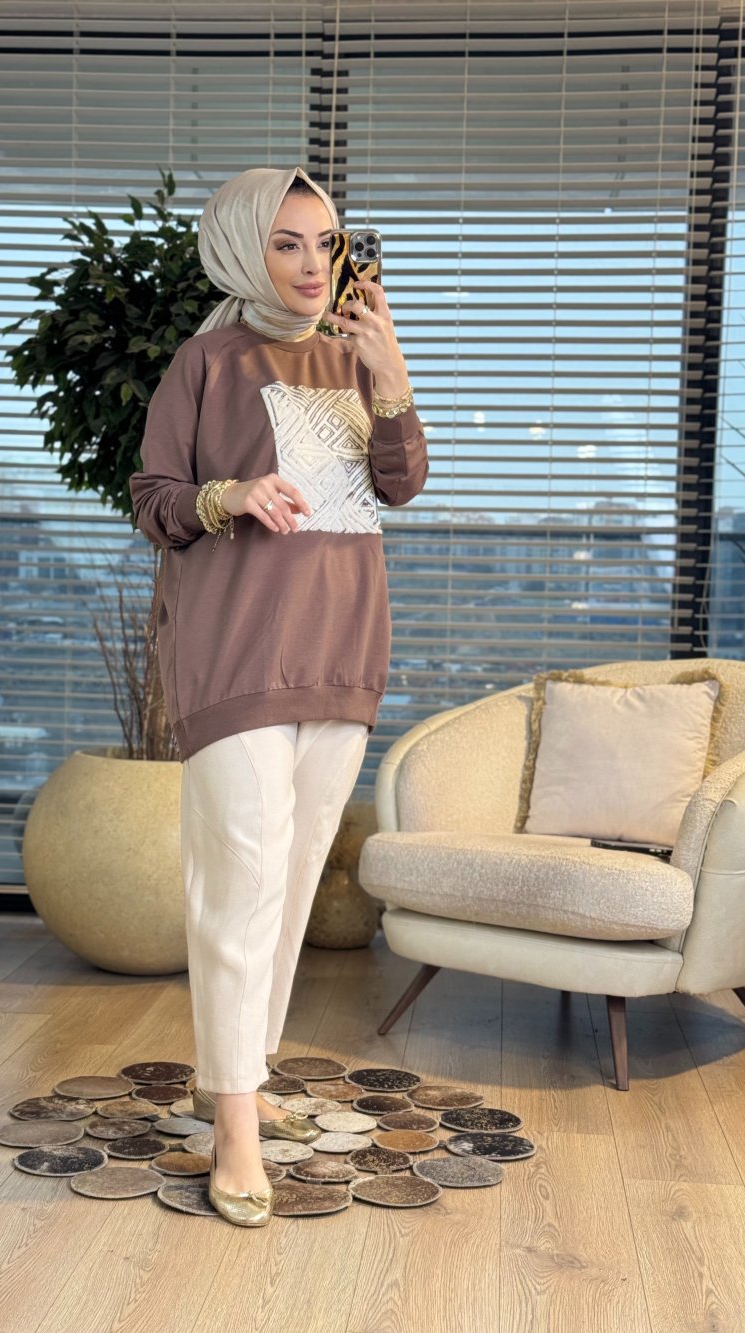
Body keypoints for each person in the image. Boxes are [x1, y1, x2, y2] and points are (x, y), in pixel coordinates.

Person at [128, 165, 428, 1226]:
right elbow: (153, 499)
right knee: (238, 886)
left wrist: (389, 372)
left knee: (292, 884)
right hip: (234, 658)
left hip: (342, 654)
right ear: (243, 247)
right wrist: (232, 494)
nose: (312, 264)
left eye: (326, 242)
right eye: (287, 242)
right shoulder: (206, 363)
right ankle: (235, 1131)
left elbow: (400, 482)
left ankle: (242, 1075)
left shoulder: (356, 355)